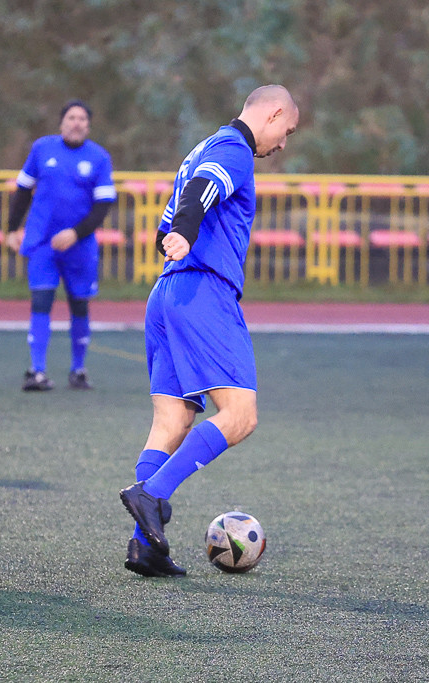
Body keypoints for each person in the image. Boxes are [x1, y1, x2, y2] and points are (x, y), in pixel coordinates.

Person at [119, 85, 299, 577]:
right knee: (239, 416)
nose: (283, 143)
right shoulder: (234, 149)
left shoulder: (202, 146)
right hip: (203, 294)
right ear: (275, 112)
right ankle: (151, 495)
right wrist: (188, 232)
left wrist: (177, 234)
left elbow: (169, 220)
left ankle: (145, 546)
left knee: (171, 424)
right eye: (287, 131)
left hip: (167, 294)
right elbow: (203, 191)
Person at [5, 99, 117, 391]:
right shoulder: (42, 149)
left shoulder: (99, 158)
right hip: (43, 243)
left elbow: (103, 205)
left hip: (79, 248)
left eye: (82, 119)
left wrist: (75, 233)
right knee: (41, 301)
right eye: (71, 118)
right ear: (61, 123)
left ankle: (78, 370)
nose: (76, 123)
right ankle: (36, 371)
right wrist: (11, 228)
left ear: (88, 126)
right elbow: (23, 189)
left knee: (79, 305)